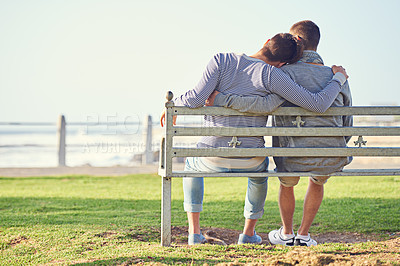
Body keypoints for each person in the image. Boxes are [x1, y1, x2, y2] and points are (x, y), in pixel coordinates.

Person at [160, 32, 349, 245]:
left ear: (267, 41)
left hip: (211, 156)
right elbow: (316, 104)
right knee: (260, 174)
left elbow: (194, 98)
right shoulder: (274, 75)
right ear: (282, 63)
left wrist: (173, 109)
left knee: (191, 165)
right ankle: (248, 233)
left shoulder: (221, 60)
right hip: (250, 159)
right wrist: (339, 78)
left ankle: (194, 233)